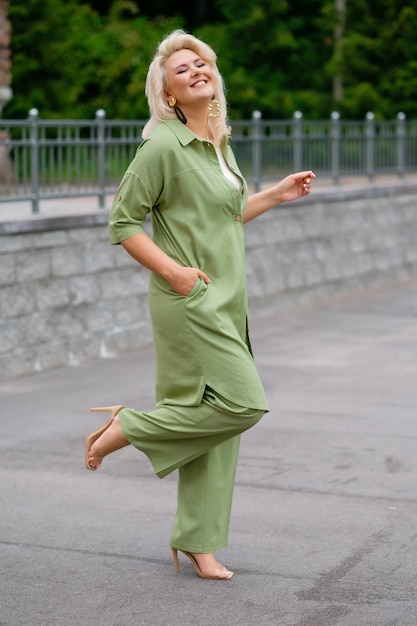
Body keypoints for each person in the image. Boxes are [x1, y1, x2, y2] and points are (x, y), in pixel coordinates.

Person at [85, 28, 315, 581]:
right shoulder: (162, 146)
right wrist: (174, 272)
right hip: (189, 301)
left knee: (215, 423)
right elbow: (122, 223)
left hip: (229, 299)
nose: (195, 71)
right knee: (242, 404)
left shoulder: (217, 142)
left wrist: (274, 195)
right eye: (181, 70)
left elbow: (223, 216)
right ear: (168, 95)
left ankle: (199, 541)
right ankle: (132, 426)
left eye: (201, 64)